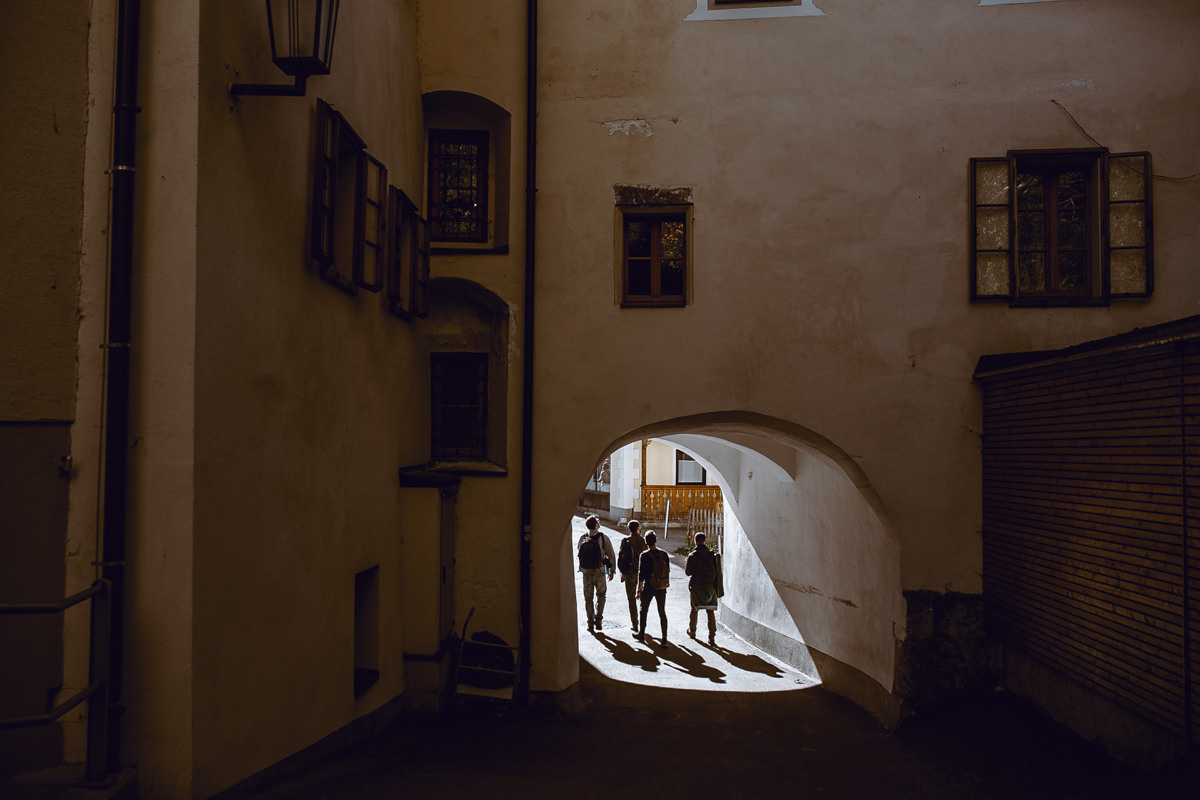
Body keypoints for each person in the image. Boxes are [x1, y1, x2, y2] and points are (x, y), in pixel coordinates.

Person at [577, 515, 616, 633]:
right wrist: (611, 571)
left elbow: (580, 553)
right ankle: (599, 619)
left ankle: (590, 623)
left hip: (586, 572)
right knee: (601, 595)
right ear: (596, 525)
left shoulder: (583, 538)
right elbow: (611, 555)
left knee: (588, 598)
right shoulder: (603, 538)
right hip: (599, 572)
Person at [634, 531, 671, 648]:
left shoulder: (644, 555)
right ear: (656, 540)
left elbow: (641, 575)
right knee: (662, 612)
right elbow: (668, 570)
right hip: (661, 587)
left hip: (649, 586)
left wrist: (638, 590)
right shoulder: (664, 554)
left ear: (645, 541)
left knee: (643, 610)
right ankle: (664, 637)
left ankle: (641, 634)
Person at [685, 532, 719, 645]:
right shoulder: (712, 555)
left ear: (695, 541)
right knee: (710, 612)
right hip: (710, 587)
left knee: (694, 609)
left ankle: (692, 631)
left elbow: (687, 572)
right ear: (705, 541)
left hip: (696, 587)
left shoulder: (692, 555)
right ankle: (712, 636)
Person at [616, 519, 647, 631]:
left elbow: (620, 557)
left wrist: (623, 572)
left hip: (629, 572)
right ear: (638, 528)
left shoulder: (625, 540)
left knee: (631, 598)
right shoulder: (643, 541)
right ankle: (643, 624)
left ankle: (635, 623)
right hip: (642, 573)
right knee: (643, 599)